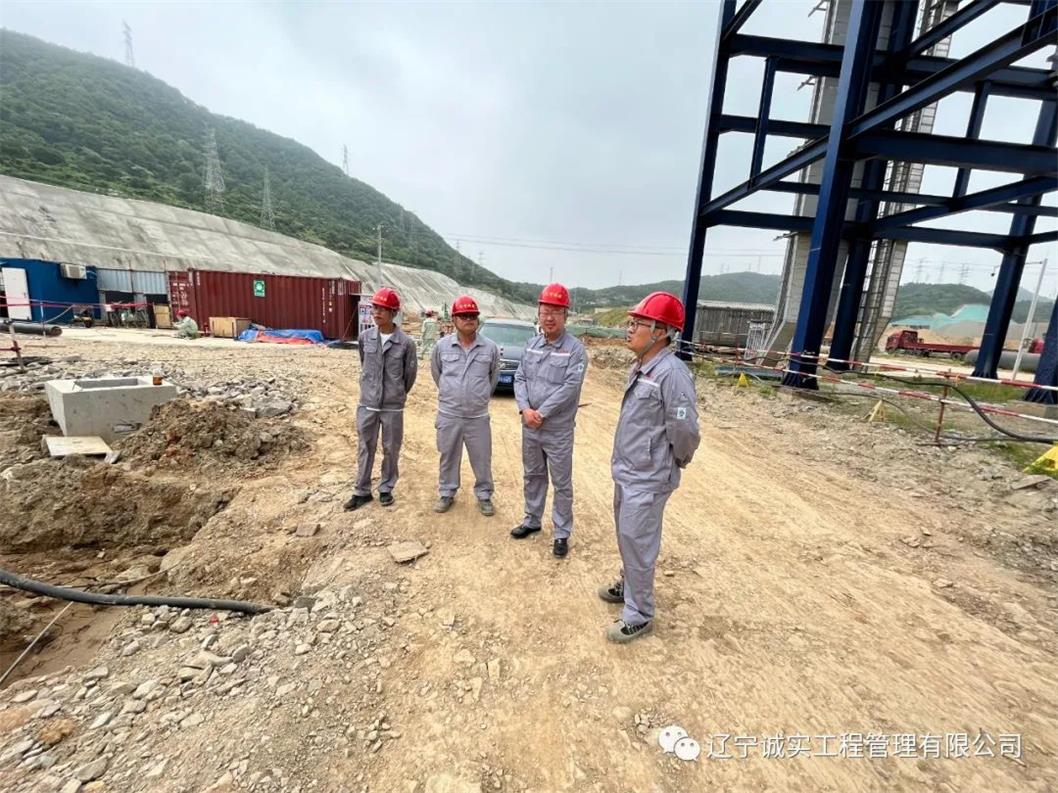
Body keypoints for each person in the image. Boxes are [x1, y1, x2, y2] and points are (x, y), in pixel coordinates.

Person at [599, 292, 700, 644]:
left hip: (649, 476)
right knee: (628, 536)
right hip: (629, 471)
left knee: (638, 541)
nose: (630, 329)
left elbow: (685, 430)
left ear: (660, 332)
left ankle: (639, 614)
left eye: (638, 323)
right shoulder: (643, 366)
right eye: (631, 322)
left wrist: (677, 460)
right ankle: (630, 585)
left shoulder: (673, 374)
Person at [510, 283, 587, 558]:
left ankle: (561, 532)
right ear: (538, 313)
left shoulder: (575, 350)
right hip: (530, 426)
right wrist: (524, 409)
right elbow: (520, 377)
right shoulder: (531, 345)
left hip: (557, 430)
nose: (549, 317)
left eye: (556, 311)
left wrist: (541, 413)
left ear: (566, 314)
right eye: (545, 311)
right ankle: (532, 519)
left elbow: (570, 388)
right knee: (533, 475)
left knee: (561, 482)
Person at [345, 287, 418, 511]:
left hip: (392, 407)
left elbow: (409, 376)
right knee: (365, 447)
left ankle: (386, 488)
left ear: (393, 313)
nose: (377, 312)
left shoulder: (406, 343)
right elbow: (364, 364)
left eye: (383, 309)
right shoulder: (365, 338)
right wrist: (371, 389)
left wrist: (396, 394)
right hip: (367, 404)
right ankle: (362, 491)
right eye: (375, 307)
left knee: (391, 448)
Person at [430, 294, 500, 516]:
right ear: (454, 319)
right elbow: (437, 374)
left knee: (482, 458)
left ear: (477, 319)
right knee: (448, 455)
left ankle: (484, 495)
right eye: (463, 316)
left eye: (472, 316)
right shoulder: (442, 347)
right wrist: (452, 395)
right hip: (449, 414)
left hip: (477, 416)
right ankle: (447, 492)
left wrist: (478, 396)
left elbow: (493, 378)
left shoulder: (490, 348)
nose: (469, 319)